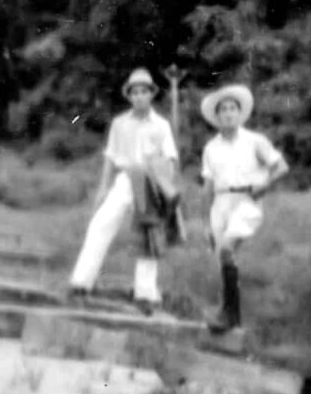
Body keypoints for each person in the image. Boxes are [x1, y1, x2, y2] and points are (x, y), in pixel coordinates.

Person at [68, 68, 181, 313]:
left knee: (147, 235)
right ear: (129, 96)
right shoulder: (120, 123)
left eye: (144, 92)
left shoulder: (161, 125)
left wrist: (165, 189)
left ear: (151, 95)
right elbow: (110, 157)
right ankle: (81, 282)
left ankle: (145, 293)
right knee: (100, 224)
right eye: (135, 92)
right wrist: (102, 187)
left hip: (150, 181)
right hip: (126, 179)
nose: (140, 96)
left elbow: (170, 158)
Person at [196, 81, 288, 335]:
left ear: (239, 113)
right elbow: (207, 187)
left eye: (232, 109)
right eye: (223, 110)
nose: (228, 114)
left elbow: (281, 168)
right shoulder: (211, 148)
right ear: (216, 116)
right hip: (221, 202)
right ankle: (228, 314)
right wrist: (205, 223)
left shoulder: (254, 141)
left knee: (227, 248)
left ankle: (229, 315)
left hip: (247, 200)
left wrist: (265, 185)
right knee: (222, 256)